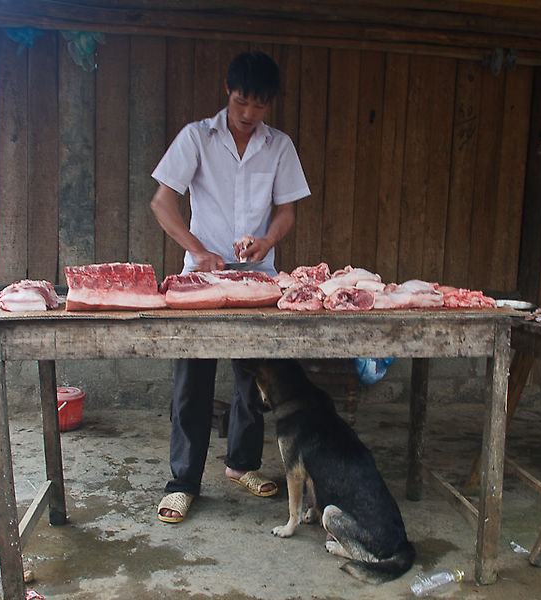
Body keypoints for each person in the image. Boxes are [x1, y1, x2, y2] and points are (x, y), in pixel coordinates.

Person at [149, 51, 311, 523]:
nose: (247, 114)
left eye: (259, 107)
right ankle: (183, 481)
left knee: (253, 377)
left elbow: (287, 211)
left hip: (257, 277)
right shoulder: (197, 137)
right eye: (242, 102)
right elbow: (163, 203)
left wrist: (265, 241)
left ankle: (241, 465)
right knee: (192, 380)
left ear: (269, 105)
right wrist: (197, 250)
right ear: (228, 90)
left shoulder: (278, 146)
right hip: (200, 279)